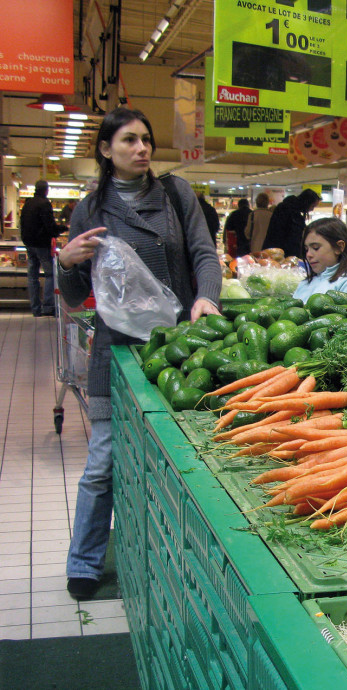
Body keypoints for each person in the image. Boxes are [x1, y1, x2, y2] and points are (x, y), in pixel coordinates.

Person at [58, 107, 222, 601]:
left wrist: (207, 296)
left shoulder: (176, 195)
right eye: (129, 140)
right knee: (103, 462)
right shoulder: (90, 210)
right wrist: (65, 262)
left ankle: (173, 559)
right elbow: (72, 294)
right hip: (117, 350)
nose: (142, 148)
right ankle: (84, 561)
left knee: (177, 458)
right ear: (106, 150)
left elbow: (203, 253)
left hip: (178, 349)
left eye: (146, 139)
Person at [293, 217, 347, 303]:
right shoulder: (305, 283)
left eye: (316, 248)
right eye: (306, 249)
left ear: (339, 247)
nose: (308, 255)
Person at [20, 179, 64, 316]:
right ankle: (48, 306)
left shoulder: (28, 203)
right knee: (50, 274)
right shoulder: (44, 204)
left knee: (32, 276)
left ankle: (35, 309)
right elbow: (49, 226)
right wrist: (63, 228)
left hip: (28, 243)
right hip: (41, 244)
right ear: (46, 190)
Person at [263, 188, 320, 258]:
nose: (312, 209)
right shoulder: (291, 212)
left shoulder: (287, 208)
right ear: (307, 202)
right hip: (280, 253)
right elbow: (289, 237)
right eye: (312, 206)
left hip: (276, 250)